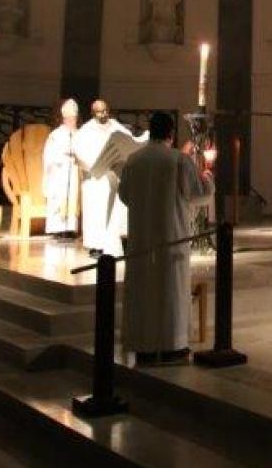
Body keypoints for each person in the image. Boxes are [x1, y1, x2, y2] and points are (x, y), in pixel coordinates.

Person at [118, 110, 214, 366]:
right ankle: (173, 345)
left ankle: (144, 346)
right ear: (171, 133)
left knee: (144, 292)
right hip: (172, 238)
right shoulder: (178, 160)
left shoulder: (134, 160)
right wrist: (208, 177)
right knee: (170, 291)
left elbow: (125, 195)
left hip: (142, 240)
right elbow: (198, 195)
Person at [74, 99, 146, 256]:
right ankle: (96, 246)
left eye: (106, 110)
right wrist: (96, 164)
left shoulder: (115, 126)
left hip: (115, 175)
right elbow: (79, 152)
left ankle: (121, 242)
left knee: (119, 210)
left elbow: (128, 140)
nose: (104, 114)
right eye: (100, 112)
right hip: (96, 179)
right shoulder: (86, 131)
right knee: (97, 212)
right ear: (93, 113)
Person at [42, 98, 80, 240]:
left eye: (74, 119)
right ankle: (57, 228)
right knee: (59, 197)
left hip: (74, 170)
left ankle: (71, 228)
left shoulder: (79, 134)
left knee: (73, 197)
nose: (72, 121)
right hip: (59, 171)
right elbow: (49, 155)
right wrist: (61, 159)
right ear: (64, 119)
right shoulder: (56, 135)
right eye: (69, 119)